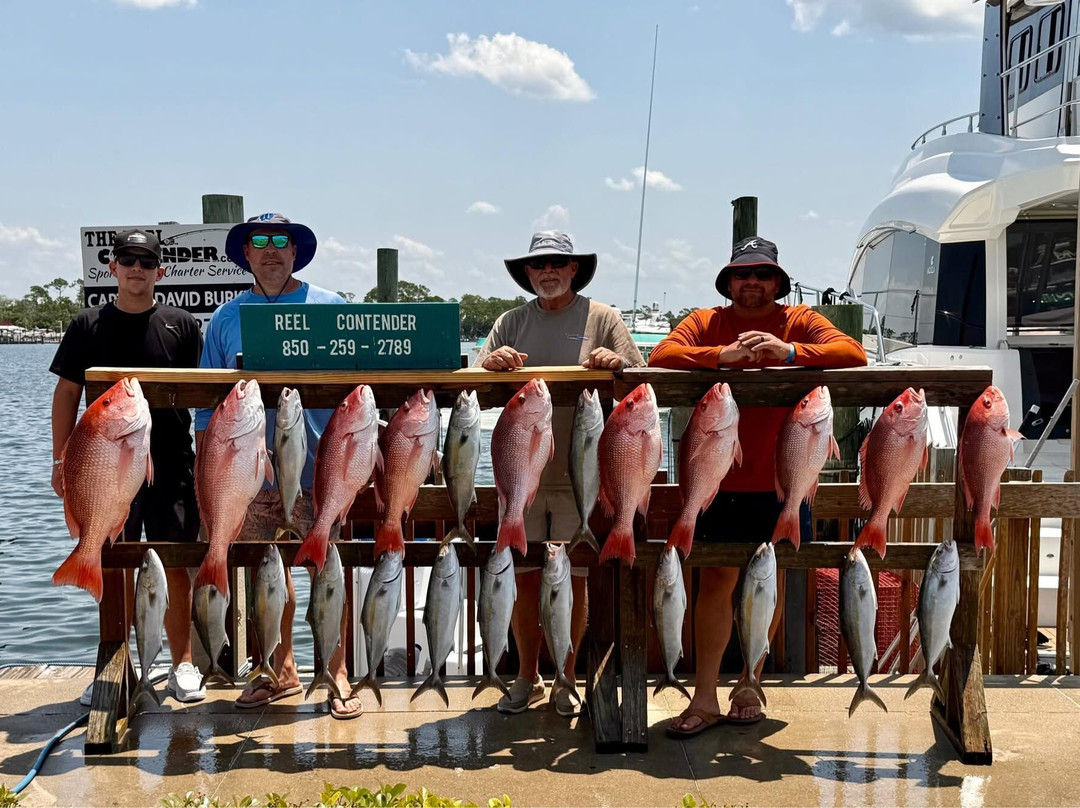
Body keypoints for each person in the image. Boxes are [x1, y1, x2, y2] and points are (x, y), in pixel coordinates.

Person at [649, 236, 867, 737]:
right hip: (716, 484)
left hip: (785, 484)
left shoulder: (800, 321)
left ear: (778, 282)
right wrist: (721, 357)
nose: (752, 283)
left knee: (768, 583)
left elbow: (852, 352)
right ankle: (704, 696)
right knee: (716, 585)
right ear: (728, 283)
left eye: (763, 274)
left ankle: (750, 680)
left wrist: (789, 352)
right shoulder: (707, 321)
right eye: (742, 275)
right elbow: (664, 352)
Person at [195, 213, 360, 719]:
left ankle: (338, 671)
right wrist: (208, 486)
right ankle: (280, 669)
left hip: (324, 468)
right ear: (246, 254)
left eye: (280, 242)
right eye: (259, 242)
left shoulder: (330, 306)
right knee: (270, 571)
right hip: (249, 473)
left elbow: (364, 382)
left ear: (295, 252)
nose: (270, 251)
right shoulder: (225, 319)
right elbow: (205, 407)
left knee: (328, 569)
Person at [475, 230, 645, 716]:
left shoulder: (603, 318)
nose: (547, 271)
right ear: (527, 273)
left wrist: (616, 364)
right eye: (538, 265)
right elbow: (474, 374)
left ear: (574, 269)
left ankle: (567, 678)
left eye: (557, 263)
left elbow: (640, 375)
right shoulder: (510, 322)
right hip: (522, 476)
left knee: (573, 581)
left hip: (582, 477)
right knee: (526, 580)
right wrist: (491, 363)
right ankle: (526, 676)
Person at [50, 228, 205, 705]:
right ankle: (117, 668)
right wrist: (61, 459)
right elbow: (66, 395)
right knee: (112, 560)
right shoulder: (87, 326)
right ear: (112, 268)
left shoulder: (182, 325)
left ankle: (182, 664)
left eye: (146, 261)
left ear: (161, 272)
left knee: (176, 564)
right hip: (105, 471)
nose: (137, 268)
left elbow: (205, 395)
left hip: (172, 466)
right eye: (128, 260)